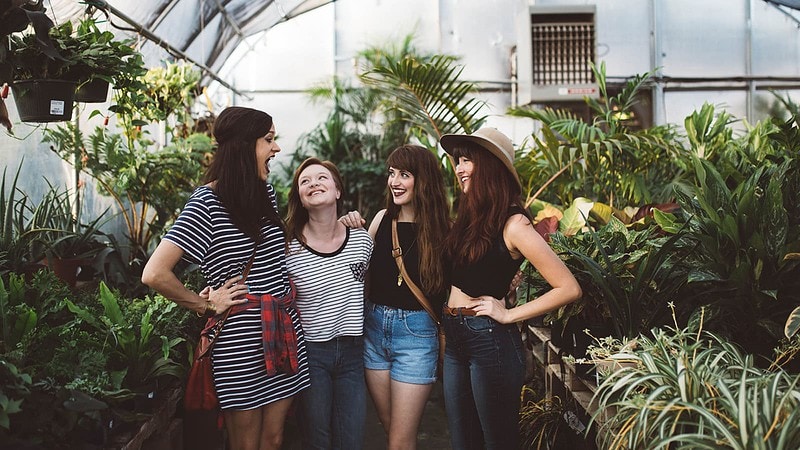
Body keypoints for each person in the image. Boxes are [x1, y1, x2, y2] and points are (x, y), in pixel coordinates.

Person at [141, 106, 310, 450]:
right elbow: (155, 273)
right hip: (240, 341)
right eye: (269, 140)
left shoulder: (267, 194)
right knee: (245, 444)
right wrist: (204, 304)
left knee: (273, 440)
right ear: (245, 146)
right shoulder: (206, 201)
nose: (276, 149)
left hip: (282, 330)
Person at [439, 127, 582, 450]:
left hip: (488, 341)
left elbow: (568, 287)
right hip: (456, 337)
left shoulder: (514, 224)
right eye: (458, 161)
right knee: (464, 442)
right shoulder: (471, 218)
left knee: (498, 442)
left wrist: (509, 314)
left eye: (466, 161)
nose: (458, 168)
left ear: (490, 166)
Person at [351, 144, 451, 450]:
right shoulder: (381, 220)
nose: (394, 181)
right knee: (392, 429)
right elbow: (356, 269)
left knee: (399, 440)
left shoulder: (446, 231)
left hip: (417, 337)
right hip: (374, 330)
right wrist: (343, 229)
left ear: (424, 180)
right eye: (391, 173)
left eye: (404, 174)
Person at [284, 157, 373, 450]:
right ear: (300, 197)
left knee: (352, 439)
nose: (314, 184)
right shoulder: (288, 247)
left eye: (322, 178)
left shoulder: (361, 240)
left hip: (353, 353)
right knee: (317, 439)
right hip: (311, 353)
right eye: (305, 182)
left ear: (337, 191)